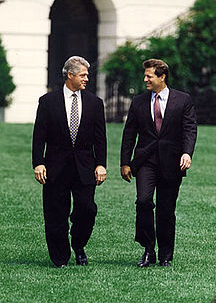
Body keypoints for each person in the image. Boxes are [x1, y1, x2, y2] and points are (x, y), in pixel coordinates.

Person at [121, 59, 197, 267]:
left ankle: (165, 254)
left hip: (172, 162)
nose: (145, 79)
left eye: (149, 76)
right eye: (145, 75)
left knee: (166, 209)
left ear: (162, 77)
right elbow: (129, 134)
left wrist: (187, 153)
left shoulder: (183, 100)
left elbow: (190, 129)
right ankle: (147, 249)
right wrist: (125, 163)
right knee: (143, 201)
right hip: (145, 161)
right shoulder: (138, 102)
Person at [32, 56, 107, 268]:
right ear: (70, 75)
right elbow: (39, 136)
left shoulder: (95, 103)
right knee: (55, 213)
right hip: (55, 167)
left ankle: (79, 243)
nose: (87, 79)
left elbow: (100, 138)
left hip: (85, 168)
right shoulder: (47, 102)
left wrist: (101, 164)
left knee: (87, 209)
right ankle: (60, 258)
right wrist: (38, 163)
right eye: (83, 75)